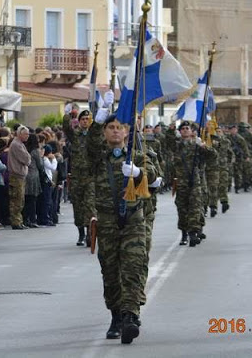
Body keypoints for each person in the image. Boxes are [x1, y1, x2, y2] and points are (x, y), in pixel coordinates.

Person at [87, 104, 155, 345]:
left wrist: (137, 174)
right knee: (111, 272)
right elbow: (89, 144)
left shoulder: (137, 156)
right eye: (111, 127)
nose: (115, 131)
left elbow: (155, 178)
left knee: (133, 267)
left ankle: (130, 316)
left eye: (120, 127)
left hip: (134, 222)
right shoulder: (97, 159)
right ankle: (115, 316)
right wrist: (97, 121)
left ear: (127, 132)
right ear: (105, 132)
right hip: (107, 223)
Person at [165, 121, 217, 246]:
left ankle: (193, 233)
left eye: (187, 128)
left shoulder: (197, 145)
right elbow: (167, 140)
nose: (185, 130)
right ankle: (184, 234)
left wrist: (204, 146)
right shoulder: (176, 146)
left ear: (191, 131)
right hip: (180, 182)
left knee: (195, 207)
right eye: (182, 128)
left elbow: (213, 156)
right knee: (182, 209)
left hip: (195, 182)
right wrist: (170, 129)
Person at [63, 106, 94, 246]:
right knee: (78, 206)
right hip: (76, 177)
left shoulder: (95, 136)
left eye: (88, 119)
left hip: (91, 176)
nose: (85, 121)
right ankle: (81, 233)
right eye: (83, 119)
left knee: (90, 205)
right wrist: (67, 115)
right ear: (79, 121)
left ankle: (89, 233)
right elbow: (66, 128)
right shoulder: (75, 135)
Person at [7, 126, 31, 229]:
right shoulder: (17, 145)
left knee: (20, 200)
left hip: (20, 176)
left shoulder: (20, 144)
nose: (27, 136)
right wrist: (28, 157)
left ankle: (18, 221)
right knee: (17, 199)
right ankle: (16, 221)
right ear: (19, 134)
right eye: (26, 134)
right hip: (16, 176)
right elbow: (26, 159)